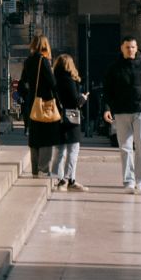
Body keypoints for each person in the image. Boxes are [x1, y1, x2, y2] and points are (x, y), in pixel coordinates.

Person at [102, 36, 141, 194]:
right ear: (122, 48)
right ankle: (129, 181)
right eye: (127, 47)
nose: (130, 50)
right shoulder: (114, 68)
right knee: (125, 147)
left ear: (137, 49)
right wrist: (106, 108)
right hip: (121, 111)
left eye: (133, 47)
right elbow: (108, 90)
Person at [18, 34, 60, 178]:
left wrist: (28, 96)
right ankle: (44, 168)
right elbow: (52, 83)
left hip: (32, 103)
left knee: (34, 137)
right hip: (45, 103)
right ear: (45, 46)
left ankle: (35, 169)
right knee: (47, 136)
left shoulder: (28, 61)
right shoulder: (44, 61)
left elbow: (22, 83)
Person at [52, 54, 89, 192]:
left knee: (60, 150)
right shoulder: (69, 80)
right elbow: (75, 101)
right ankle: (69, 180)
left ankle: (59, 179)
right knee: (73, 149)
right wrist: (83, 98)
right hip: (71, 118)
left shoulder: (54, 80)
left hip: (57, 117)